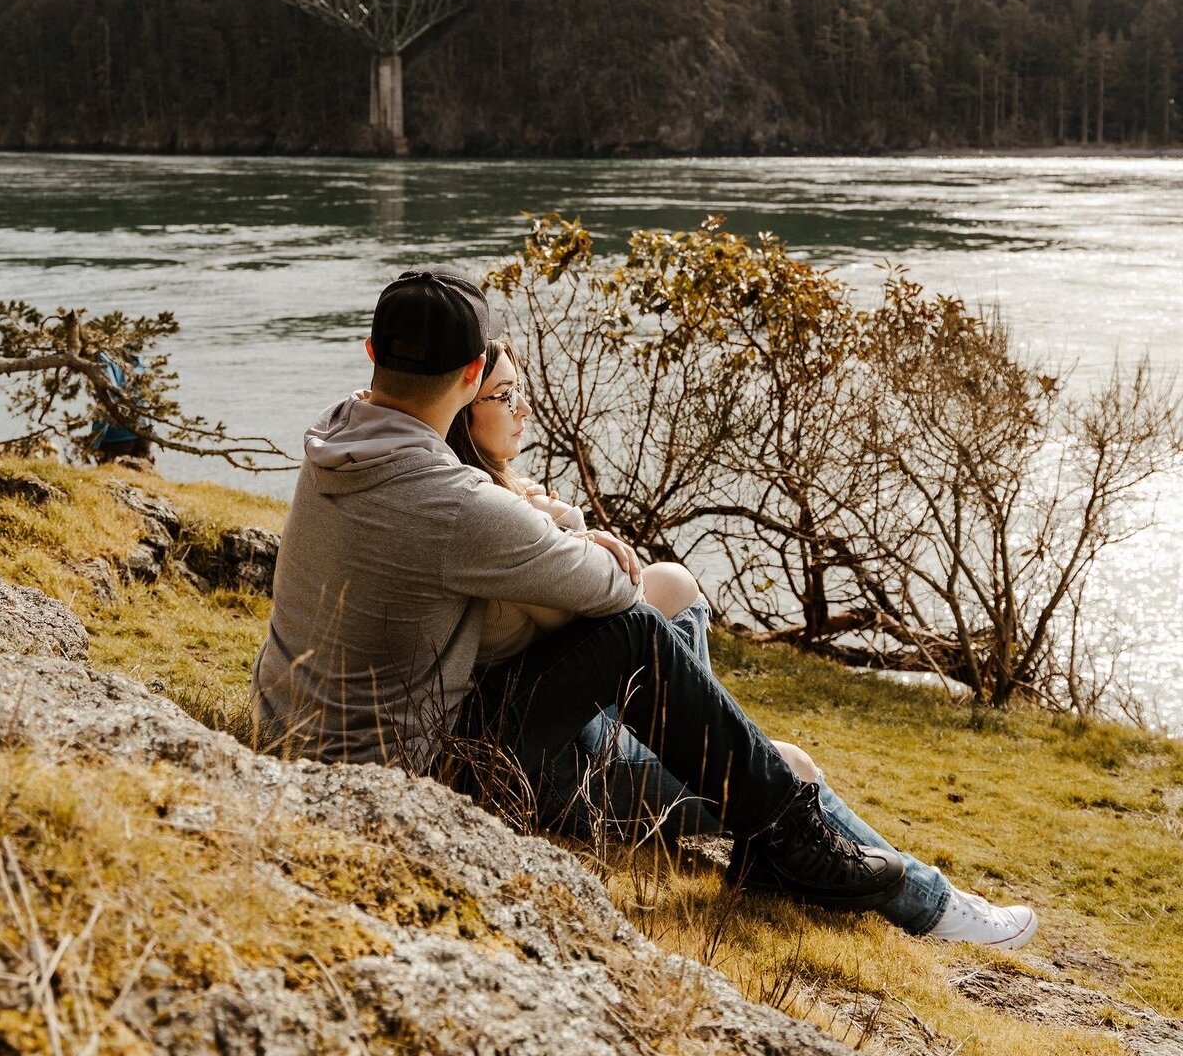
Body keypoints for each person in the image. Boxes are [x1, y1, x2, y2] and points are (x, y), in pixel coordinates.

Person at [444, 334, 1040, 950]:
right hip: (553, 769)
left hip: (565, 716)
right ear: (465, 405)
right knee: (793, 768)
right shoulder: (491, 520)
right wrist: (570, 529)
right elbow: (610, 604)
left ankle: (721, 776)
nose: (524, 410)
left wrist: (556, 521)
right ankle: (934, 906)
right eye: (506, 396)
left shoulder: (497, 493)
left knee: (673, 583)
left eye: (522, 393)